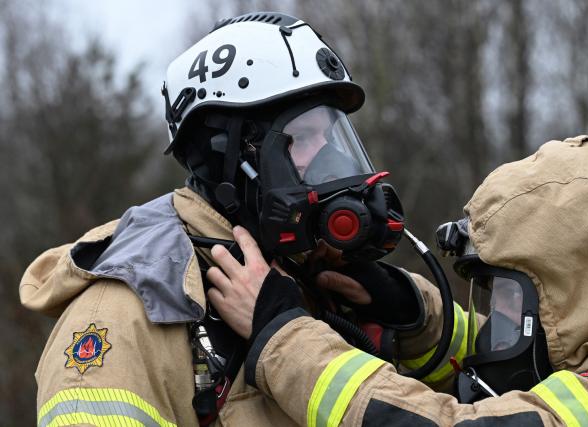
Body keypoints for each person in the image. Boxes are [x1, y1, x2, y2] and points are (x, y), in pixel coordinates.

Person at [19, 12, 443, 426]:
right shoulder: (129, 313)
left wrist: (409, 310)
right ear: (226, 158)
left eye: (331, 136)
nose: (332, 164)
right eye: (303, 137)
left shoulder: (308, 276)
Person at [209, 135, 588, 426]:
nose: (497, 322)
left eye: (510, 294)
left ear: (581, 287)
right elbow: (518, 347)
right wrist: (412, 311)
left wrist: (283, 335)